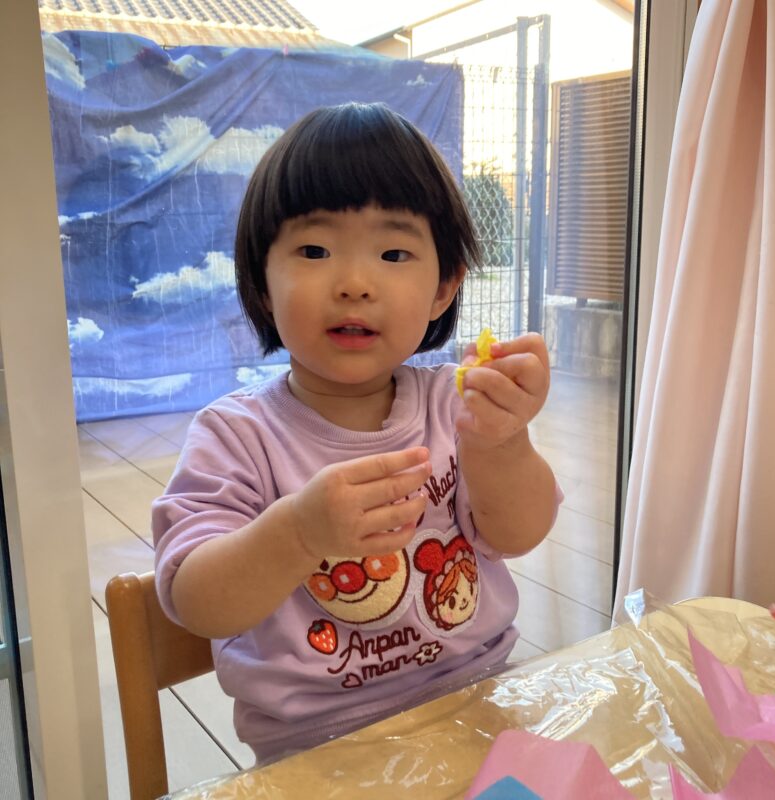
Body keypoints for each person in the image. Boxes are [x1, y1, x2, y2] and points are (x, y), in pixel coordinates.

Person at [152, 102, 560, 765]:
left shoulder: (454, 405)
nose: (354, 284)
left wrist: (504, 442)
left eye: (393, 252)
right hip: (316, 751)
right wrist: (299, 533)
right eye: (314, 250)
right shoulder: (236, 436)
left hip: (477, 709)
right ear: (262, 283)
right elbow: (194, 600)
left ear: (443, 288)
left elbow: (520, 533)